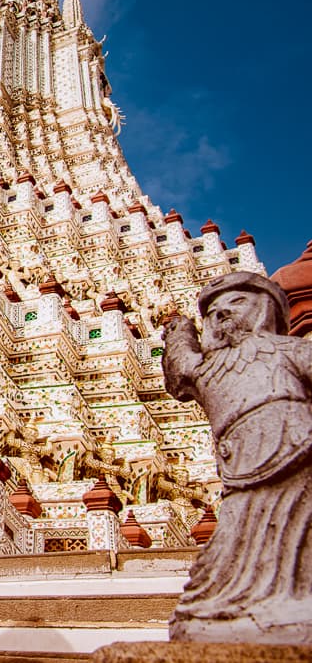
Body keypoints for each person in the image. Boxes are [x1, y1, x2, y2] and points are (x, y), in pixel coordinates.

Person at [162, 271, 312, 644]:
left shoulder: (285, 350)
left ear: (263, 309)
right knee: (241, 541)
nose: (224, 313)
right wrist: (179, 332)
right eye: (214, 310)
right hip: (239, 468)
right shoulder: (210, 366)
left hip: (299, 450)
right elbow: (180, 370)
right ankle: (237, 605)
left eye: (237, 303)